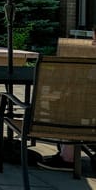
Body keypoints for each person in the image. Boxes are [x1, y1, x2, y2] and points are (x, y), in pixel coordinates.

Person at [37, 27, 96, 172]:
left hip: (84, 111)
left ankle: (68, 158)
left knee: (68, 106)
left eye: (95, 40)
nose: (92, 44)